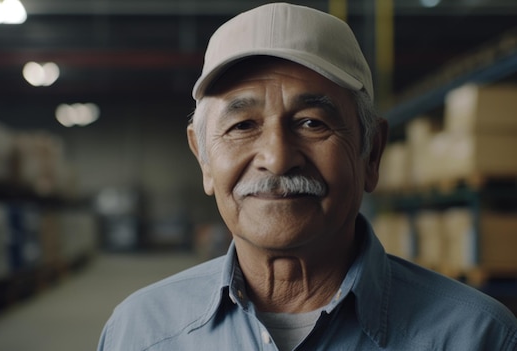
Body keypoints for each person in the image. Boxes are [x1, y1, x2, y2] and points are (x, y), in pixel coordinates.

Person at [97, 3, 517, 350]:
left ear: (371, 153)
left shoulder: (477, 336)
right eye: (243, 126)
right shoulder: (139, 333)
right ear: (204, 159)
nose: (277, 159)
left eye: (313, 123)